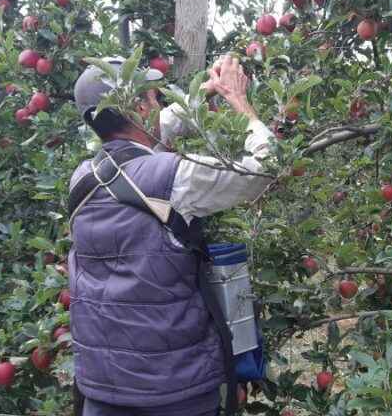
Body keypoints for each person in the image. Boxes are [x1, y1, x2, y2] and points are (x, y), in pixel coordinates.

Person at [68, 54, 274, 416]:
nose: (159, 105)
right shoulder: (173, 177)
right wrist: (242, 106)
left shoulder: (83, 177)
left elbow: (146, 134)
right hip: (174, 391)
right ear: (135, 107)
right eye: (152, 98)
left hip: (103, 389)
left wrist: (204, 93)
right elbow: (267, 168)